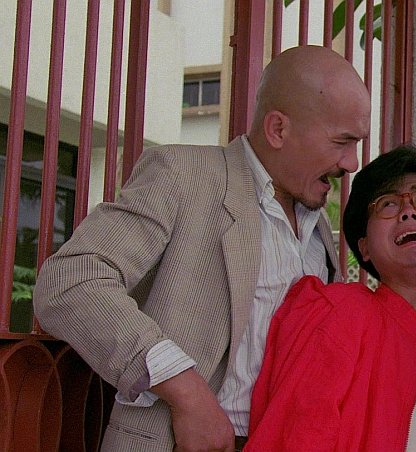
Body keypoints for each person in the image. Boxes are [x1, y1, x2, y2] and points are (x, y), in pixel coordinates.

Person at [33, 45, 371, 451]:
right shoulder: (184, 175)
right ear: (278, 129)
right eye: (342, 142)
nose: (352, 162)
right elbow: (70, 281)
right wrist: (185, 389)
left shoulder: (318, 228)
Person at [244, 145, 416, 451]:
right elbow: (297, 437)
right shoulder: (339, 313)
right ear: (364, 248)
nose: (408, 211)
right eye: (387, 204)